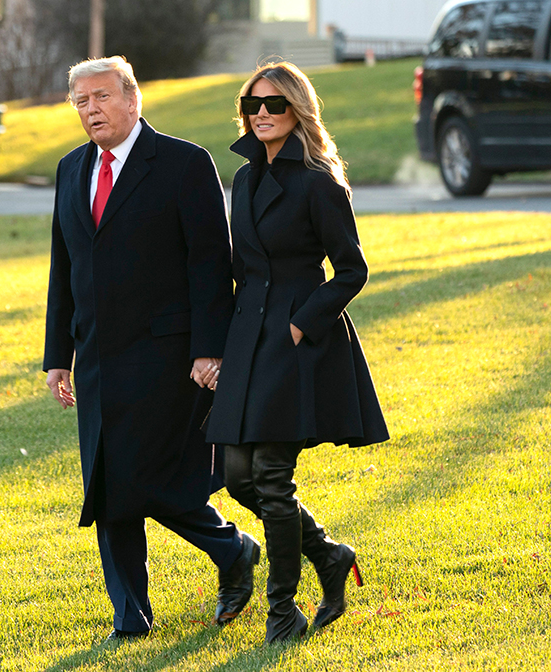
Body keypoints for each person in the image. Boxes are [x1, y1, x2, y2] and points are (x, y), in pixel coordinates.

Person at [42, 56, 260, 642]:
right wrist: (57, 356)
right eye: (81, 101)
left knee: (153, 474)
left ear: (133, 99)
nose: (92, 110)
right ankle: (130, 615)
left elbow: (210, 265)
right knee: (109, 482)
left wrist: (208, 349)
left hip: (170, 356)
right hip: (97, 358)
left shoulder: (185, 163)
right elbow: (64, 269)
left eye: (102, 97)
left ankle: (233, 548)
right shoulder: (70, 170)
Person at [205, 62, 390, 643]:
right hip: (247, 338)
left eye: (273, 105)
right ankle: (329, 555)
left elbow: (352, 270)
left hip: (295, 341)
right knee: (238, 478)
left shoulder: (317, 181)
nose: (261, 113)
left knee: (271, 476)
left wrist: (300, 323)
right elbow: (239, 269)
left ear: (297, 110)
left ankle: (282, 610)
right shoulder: (247, 177)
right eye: (251, 104)